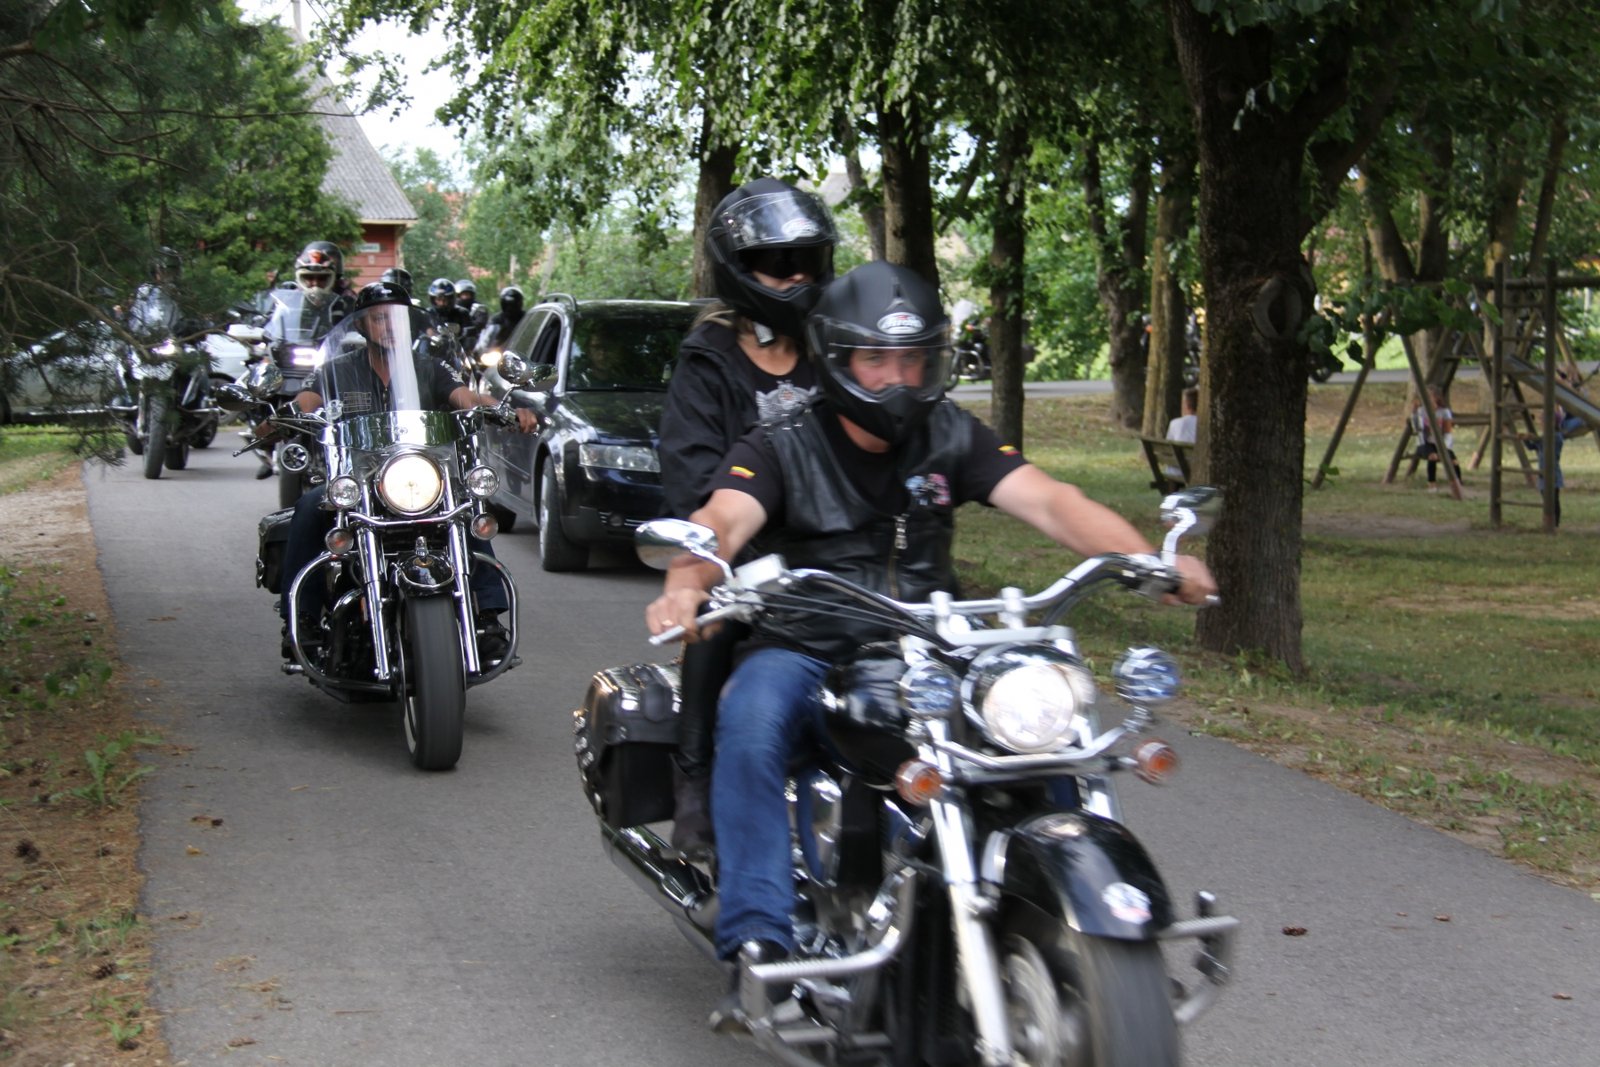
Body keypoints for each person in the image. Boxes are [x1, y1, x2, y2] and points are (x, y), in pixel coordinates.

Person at [643, 261, 1216, 1029]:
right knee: (749, 718)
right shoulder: (781, 442)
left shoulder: (949, 433)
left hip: (929, 644)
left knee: (1040, 734)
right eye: (876, 360)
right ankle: (759, 942)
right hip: (808, 642)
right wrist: (688, 579)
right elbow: (723, 517)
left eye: (912, 360)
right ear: (837, 359)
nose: (898, 379)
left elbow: (1052, 501)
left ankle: (1075, 918)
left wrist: (1148, 559)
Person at [656, 176, 839, 859]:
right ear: (738, 269)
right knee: (716, 614)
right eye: (778, 262)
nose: (796, 276)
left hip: (835, 547)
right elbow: (693, 473)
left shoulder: (837, 349)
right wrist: (737, 547)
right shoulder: (707, 359)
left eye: (808, 260)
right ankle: (695, 778)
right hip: (743, 550)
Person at [276, 282, 537, 659]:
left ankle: (487, 618)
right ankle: (301, 620)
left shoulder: (429, 368)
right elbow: (306, 400)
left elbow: (466, 398)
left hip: (418, 477)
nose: (389, 326)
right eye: (379, 319)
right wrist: (280, 417)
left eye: (396, 319)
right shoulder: (338, 370)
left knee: (465, 509)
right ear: (361, 326)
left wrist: (504, 410)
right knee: (308, 507)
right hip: (358, 481)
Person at [1412, 386, 1458, 490]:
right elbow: (1417, 428)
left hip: (1441, 443)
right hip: (1425, 443)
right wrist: (1415, 412)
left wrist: (1445, 447)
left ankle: (1457, 483)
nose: (1426, 399)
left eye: (1429, 397)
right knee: (1432, 456)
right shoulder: (1421, 411)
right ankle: (1432, 483)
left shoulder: (1444, 412)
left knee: (1453, 460)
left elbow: (1448, 432)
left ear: (1436, 397)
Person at [293, 241, 349, 316]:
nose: (315, 283)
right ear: (300, 279)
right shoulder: (289, 300)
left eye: (322, 278)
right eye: (309, 277)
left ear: (334, 278)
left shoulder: (347, 298)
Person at [476, 286, 527, 355]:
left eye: (513, 305)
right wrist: (480, 349)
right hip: (497, 352)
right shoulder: (497, 319)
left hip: (520, 352)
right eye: (507, 305)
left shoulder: (525, 318)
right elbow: (486, 336)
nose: (510, 308)